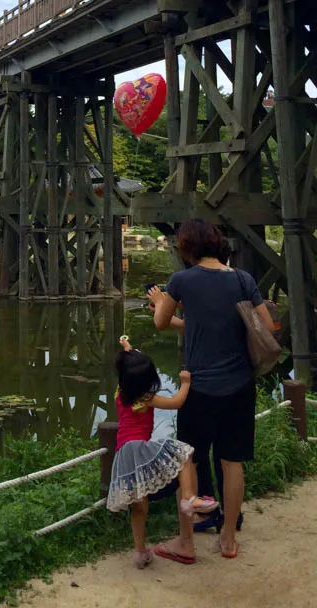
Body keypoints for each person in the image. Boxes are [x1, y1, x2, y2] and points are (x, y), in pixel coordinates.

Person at [149, 218, 275, 560]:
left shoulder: (182, 280)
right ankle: (229, 540)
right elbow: (265, 326)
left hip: (199, 387)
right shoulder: (242, 279)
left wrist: (161, 301)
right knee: (232, 463)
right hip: (239, 386)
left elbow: (161, 322)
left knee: (188, 459)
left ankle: (186, 543)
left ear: (188, 247)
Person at [107, 337, 218, 569]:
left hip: (124, 455)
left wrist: (127, 348)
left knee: (139, 506)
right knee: (184, 453)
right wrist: (185, 383)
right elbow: (177, 402)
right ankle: (189, 498)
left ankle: (139, 553)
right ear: (148, 380)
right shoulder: (146, 398)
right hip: (139, 448)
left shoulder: (121, 392)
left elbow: (128, 363)